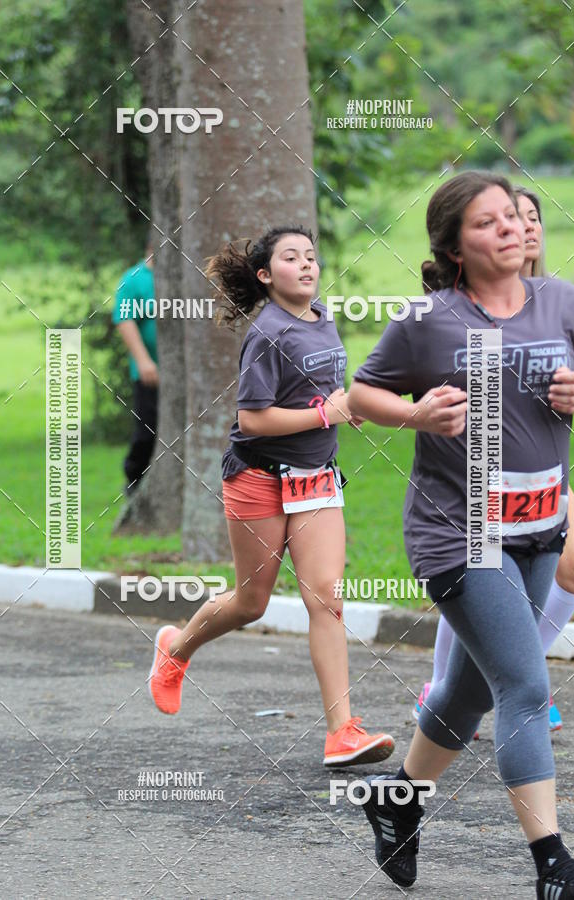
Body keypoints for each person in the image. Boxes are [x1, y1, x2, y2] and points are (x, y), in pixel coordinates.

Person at [347, 172, 574, 895]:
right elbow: (361, 393)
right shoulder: (428, 319)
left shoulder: (562, 301)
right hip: (460, 533)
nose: (509, 227)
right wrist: (413, 415)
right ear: (453, 245)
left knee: (469, 690)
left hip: (540, 526)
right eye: (487, 221)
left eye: (512, 215)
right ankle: (553, 864)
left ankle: (397, 797)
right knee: (525, 684)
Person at [147, 225, 395, 767]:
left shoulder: (324, 317)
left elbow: (320, 387)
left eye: (311, 256)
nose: (307, 265)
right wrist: (323, 412)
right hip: (259, 477)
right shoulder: (268, 334)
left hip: (316, 479)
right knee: (250, 603)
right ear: (265, 275)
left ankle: (342, 732)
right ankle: (175, 650)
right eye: (291, 258)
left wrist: (340, 404)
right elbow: (253, 418)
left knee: (327, 599)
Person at [413, 186, 574, 734]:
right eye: (510, 218)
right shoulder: (467, 314)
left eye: (531, 218)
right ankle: (466, 684)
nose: (524, 228)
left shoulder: (557, 301)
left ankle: (506, 676)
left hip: (544, 483)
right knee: (482, 587)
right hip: (481, 490)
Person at [112, 240, 158, 494]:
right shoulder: (133, 279)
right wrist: (143, 361)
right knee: (147, 432)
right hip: (149, 373)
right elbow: (124, 320)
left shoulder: (185, 278)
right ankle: (134, 481)